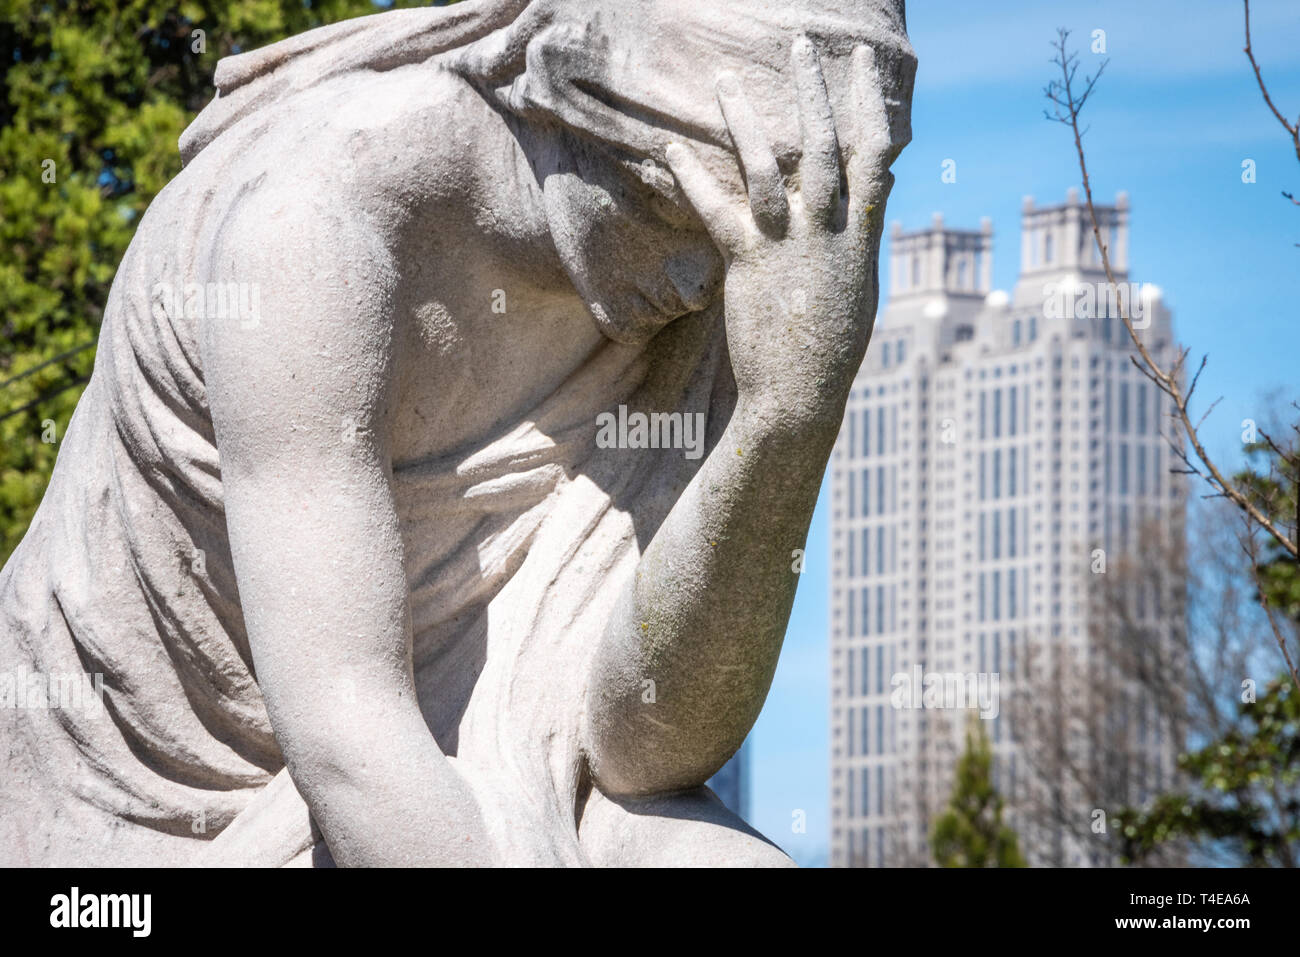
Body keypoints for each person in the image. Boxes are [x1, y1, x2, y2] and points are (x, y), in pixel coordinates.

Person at [0, 0, 914, 866]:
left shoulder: (739, 263)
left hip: (485, 763)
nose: (704, 281)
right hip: (155, 810)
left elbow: (639, 749)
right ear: (585, 104)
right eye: (681, 215)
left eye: (749, 247)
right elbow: (350, 745)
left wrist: (785, 415)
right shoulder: (314, 230)